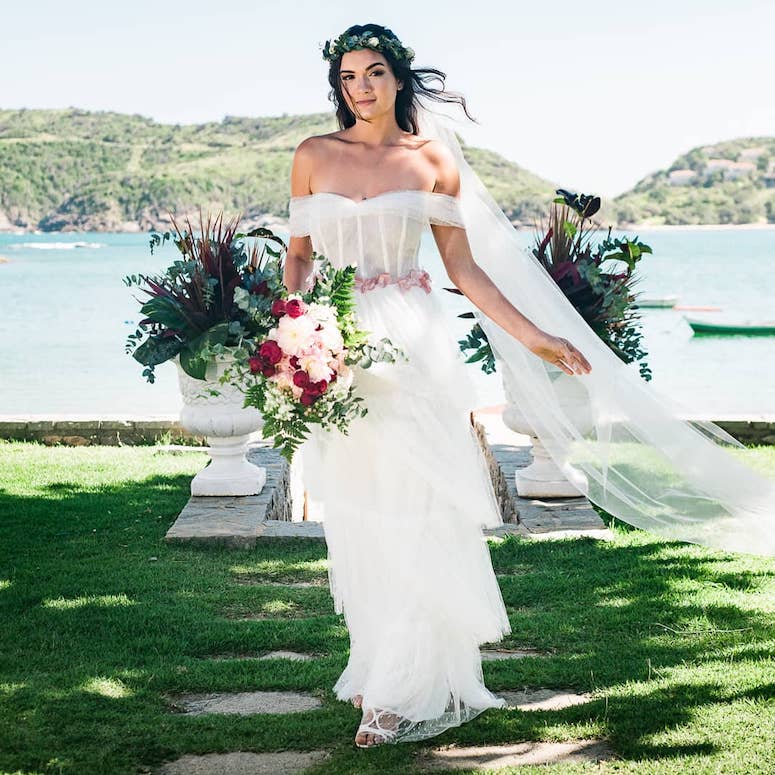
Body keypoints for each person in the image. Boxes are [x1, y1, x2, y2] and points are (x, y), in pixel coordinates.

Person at [284, 24, 775, 748]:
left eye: (375, 72)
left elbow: (468, 272)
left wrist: (537, 336)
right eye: (349, 76)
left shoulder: (430, 161)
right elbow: (297, 258)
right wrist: (291, 326)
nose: (360, 86)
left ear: (399, 78)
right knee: (361, 511)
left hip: (412, 348)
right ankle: (373, 661)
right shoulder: (311, 156)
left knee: (419, 507)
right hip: (330, 348)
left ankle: (399, 689)